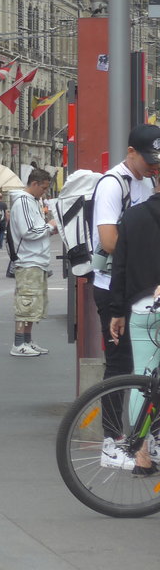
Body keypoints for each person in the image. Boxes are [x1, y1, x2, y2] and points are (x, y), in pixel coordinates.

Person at [90, 125, 160, 390]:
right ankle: (112, 431)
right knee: (119, 364)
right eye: (150, 161)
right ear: (131, 152)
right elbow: (108, 241)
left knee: (146, 365)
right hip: (112, 286)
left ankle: (145, 429)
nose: (154, 168)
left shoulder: (146, 181)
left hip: (138, 285)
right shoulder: (112, 184)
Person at [107, 179, 160, 474]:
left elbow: (120, 266)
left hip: (143, 307)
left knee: (143, 377)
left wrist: (117, 311)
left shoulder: (133, 216)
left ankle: (141, 454)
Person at [8, 168, 59, 358]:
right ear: (35, 184)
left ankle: (27, 341)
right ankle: (19, 343)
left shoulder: (31, 201)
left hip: (35, 260)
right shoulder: (23, 202)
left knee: (32, 303)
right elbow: (29, 231)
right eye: (43, 188)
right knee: (26, 302)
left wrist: (48, 228)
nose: (44, 192)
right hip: (29, 260)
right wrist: (50, 226)